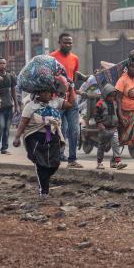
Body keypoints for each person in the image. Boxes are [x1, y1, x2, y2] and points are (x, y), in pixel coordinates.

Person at [13, 87, 65, 198]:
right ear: (38, 93)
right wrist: (17, 137)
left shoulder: (55, 103)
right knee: (41, 164)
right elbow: (23, 122)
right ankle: (44, 191)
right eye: (45, 91)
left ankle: (45, 178)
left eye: (50, 92)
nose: (48, 94)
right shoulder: (30, 106)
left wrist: (70, 87)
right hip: (36, 136)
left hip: (52, 135)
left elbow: (71, 104)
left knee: (54, 163)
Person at [51, 33, 82, 168]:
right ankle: (55, 155)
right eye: (65, 42)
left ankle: (72, 159)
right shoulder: (51, 58)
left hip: (72, 99)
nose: (68, 45)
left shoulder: (75, 58)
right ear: (59, 42)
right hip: (57, 99)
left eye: (70, 43)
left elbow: (74, 77)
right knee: (55, 128)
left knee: (74, 130)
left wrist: (74, 90)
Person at [92, 84, 126, 170]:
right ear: (105, 95)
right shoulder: (100, 103)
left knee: (116, 145)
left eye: (113, 96)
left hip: (113, 128)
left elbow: (117, 113)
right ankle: (99, 163)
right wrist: (99, 123)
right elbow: (96, 115)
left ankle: (118, 162)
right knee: (102, 146)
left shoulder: (114, 103)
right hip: (104, 129)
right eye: (110, 96)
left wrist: (121, 121)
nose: (111, 98)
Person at [0, 58, 19, 154]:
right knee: (1, 127)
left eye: (4, 63)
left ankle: (4, 148)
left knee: (7, 129)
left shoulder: (10, 76)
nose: (2, 65)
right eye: (0, 63)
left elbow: (13, 91)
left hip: (9, 105)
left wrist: (16, 105)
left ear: (6, 64)